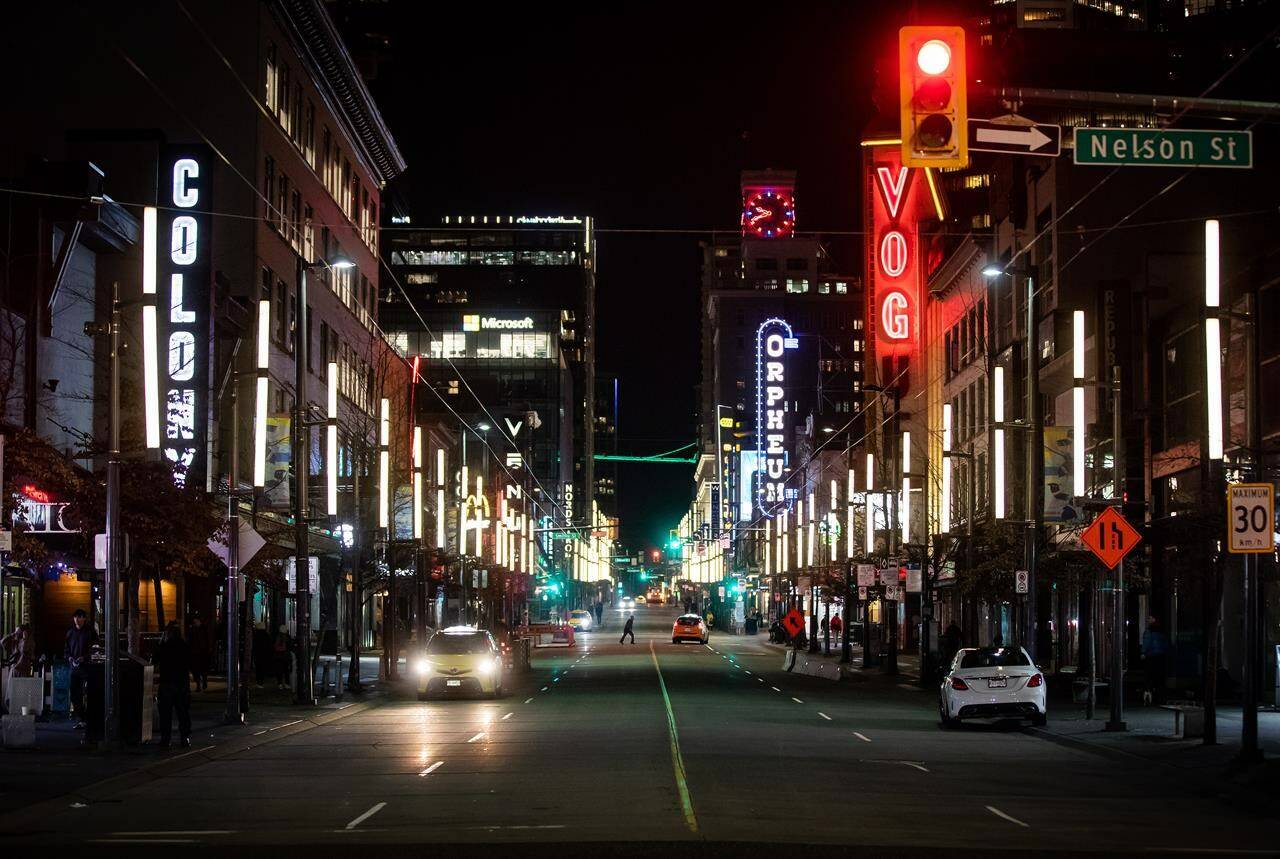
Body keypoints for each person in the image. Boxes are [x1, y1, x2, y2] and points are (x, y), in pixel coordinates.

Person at [152, 621, 192, 749]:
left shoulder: (165, 646)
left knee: (165, 713)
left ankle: (166, 739)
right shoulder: (184, 646)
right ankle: (184, 738)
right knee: (183, 712)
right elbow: (189, 663)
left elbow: (155, 659)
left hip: (167, 682)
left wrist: (160, 642)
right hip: (181, 683)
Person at [64, 608, 98, 728]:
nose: (77, 620)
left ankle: (89, 719)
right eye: (75, 617)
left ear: (84, 618)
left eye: (79, 617)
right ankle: (81, 718)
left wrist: (85, 657)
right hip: (74, 668)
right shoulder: (70, 633)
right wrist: (69, 658)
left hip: (87, 667)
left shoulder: (90, 632)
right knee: (74, 693)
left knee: (89, 693)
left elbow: (95, 648)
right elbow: (66, 650)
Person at [1141, 615, 1169, 705]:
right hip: (1160, 657)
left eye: (1150, 618)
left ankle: (1148, 697)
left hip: (1150, 656)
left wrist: (1143, 653)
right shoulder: (1162, 631)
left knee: (1148, 677)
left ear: (1154, 619)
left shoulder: (1149, 631)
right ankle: (1161, 698)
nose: (1148, 619)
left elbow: (1146, 643)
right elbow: (1166, 644)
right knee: (1160, 678)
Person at [188, 616, 210, 691]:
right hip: (195, 652)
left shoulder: (203, 629)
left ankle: (203, 682)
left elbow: (206, 640)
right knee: (196, 670)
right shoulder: (193, 630)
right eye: (194, 622)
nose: (195, 623)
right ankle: (199, 684)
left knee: (202, 669)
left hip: (202, 652)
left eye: (196, 622)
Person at [272, 624, 292, 690]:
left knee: (279, 670)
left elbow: (274, 646)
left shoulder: (277, 636)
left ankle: (280, 684)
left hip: (278, 656)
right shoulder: (287, 637)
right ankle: (287, 684)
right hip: (285, 656)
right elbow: (290, 646)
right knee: (286, 670)